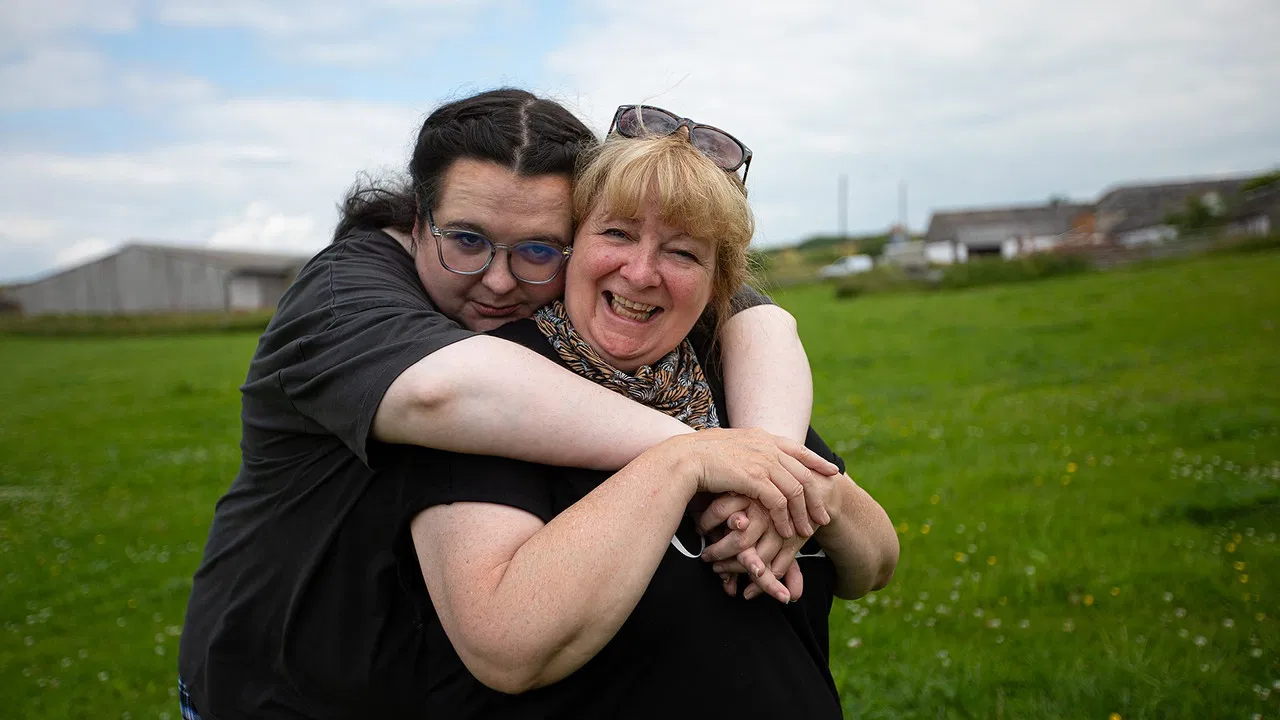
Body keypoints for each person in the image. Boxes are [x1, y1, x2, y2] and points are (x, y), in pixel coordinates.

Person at [177, 90, 834, 718]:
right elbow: (441, 392)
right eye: (466, 240)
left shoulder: (559, 289)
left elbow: (749, 312)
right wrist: (708, 453)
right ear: (416, 219)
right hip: (281, 693)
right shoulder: (343, 292)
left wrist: (768, 467)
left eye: (538, 249)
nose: (498, 277)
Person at [399, 107, 900, 717]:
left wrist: (799, 494)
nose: (640, 273)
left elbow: (873, 566)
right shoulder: (495, 385)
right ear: (570, 247)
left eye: (683, 253)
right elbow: (506, 649)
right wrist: (684, 461)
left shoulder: (729, 379)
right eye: (616, 233)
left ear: (718, 282)